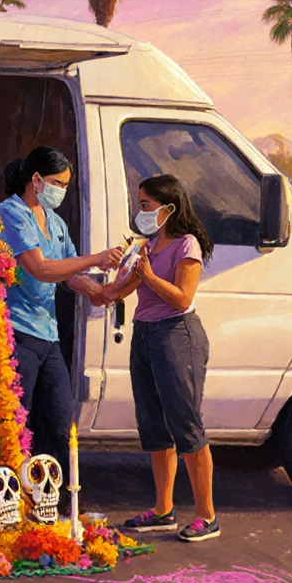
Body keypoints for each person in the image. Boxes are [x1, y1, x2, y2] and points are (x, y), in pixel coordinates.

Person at [0, 147, 121, 484]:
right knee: (20, 422)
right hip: (17, 332)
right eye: (56, 183)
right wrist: (95, 259)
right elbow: (39, 267)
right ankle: (18, 497)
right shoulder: (12, 212)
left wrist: (100, 291)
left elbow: (69, 273)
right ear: (35, 180)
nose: (61, 191)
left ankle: (58, 498)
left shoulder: (57, 223)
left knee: (59, 418)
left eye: (66, 185)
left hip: (48, 336)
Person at [104, 174, 218, 542]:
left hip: (177, 335)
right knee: (154, 425)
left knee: (185, 424)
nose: (141, 212)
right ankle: (163, 510)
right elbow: (124, 288)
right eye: (139, 205)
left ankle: (207, 516)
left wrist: (148, 274)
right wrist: (101, 286)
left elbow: (182, 297)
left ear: (168, 209)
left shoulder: (187, 245)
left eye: (146, 206)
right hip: (145, 334)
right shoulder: (148, 246)